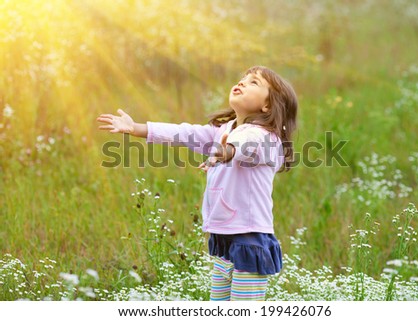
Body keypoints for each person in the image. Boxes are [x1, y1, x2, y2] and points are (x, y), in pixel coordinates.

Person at [97, 65, 298, 300]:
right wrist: (137, 129)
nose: (243, 82)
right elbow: (183, 134)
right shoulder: (225, 129)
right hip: (224, 237)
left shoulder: (266, 137)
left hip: (250, 238)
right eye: (243, 78)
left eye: (254, 82)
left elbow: (243, 146)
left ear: (268, 106)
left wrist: (223, 151)